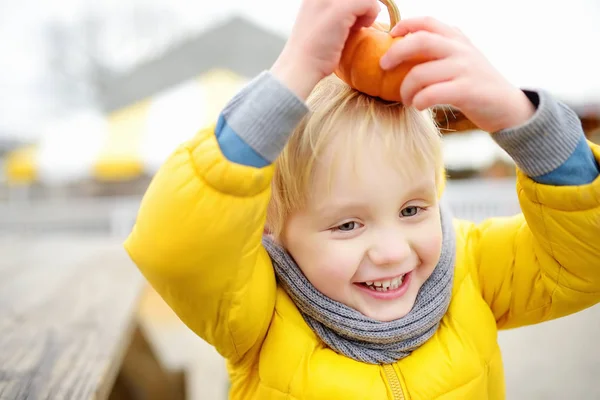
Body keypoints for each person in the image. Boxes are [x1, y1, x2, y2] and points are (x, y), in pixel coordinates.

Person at [124, 0, 600, 398]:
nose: (393, 251)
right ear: (272, 225)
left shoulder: (470, 268)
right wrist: (296, 69)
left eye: (412, 210)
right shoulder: (255, 311)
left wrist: (521, 119)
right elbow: (177, 246)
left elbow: (585, 259)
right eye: (347, 225)